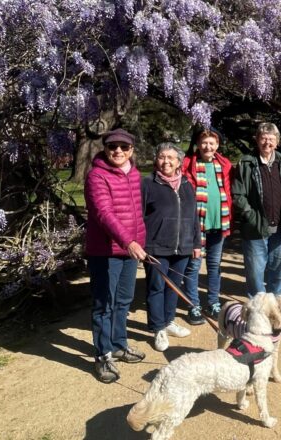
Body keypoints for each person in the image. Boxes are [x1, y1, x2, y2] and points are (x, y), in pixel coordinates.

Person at [84, 128, 147, 383]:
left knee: (123, 300)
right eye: (112, 147)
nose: (118, 151)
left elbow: (137, 212)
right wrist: (129, 241)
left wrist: (138, 241)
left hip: (129, 249)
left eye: (124, 147)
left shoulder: (134, 174)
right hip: (106, 251)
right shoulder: (96, 176)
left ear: (131, 150)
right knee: (104, 304)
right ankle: (103, 355)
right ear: (105, 149)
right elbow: (104, 213)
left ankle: (119, 344)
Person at [141, 143, 200, 351]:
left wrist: (196, 243)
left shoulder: (186, 184)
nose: (166, 161)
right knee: (156, 287)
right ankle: (158, 328)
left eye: (171, 158)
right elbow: (139, 217)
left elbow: (194, 216)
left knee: (173, 288)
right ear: (156, 160)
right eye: (161, 157)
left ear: (178, 162)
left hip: (182, 247)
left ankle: (168, 321)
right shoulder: (148, 183)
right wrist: (142, 245)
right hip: (156, 246)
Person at [232, 122, 281, 298]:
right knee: (255, 271)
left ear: (277, 142)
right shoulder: (246, 163)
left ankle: (274, 305)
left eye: (271, 139)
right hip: (255, 228)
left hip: (280, 226)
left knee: (278, 270)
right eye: (263, 138)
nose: (267, 143)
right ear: (257, 140)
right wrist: (250, 215)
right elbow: (238, 194)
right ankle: (257, 306)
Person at [182, 129, 233, 322]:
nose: (207, 147)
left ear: (217, 145)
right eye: (204, 143)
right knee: (193, 265)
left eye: (212, 143)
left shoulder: (224, 165)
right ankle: (193, 305)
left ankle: (213, 303)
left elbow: (228, 192)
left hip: (219, 222)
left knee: (214, 265)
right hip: (197, 224)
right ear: (197, 144)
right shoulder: (189, 164)